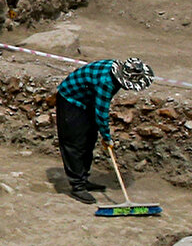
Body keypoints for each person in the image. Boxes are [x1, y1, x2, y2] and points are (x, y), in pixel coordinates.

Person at [54, 58, 155, 204]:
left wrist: (102, 134)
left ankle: (84, 179)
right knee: (74, 143)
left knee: (89, 140)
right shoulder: (107, 82)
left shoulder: (115, 73)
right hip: (70, 99)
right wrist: (107, 137)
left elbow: (98, 110)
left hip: (87, 100)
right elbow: (101, 112)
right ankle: (77, 186)